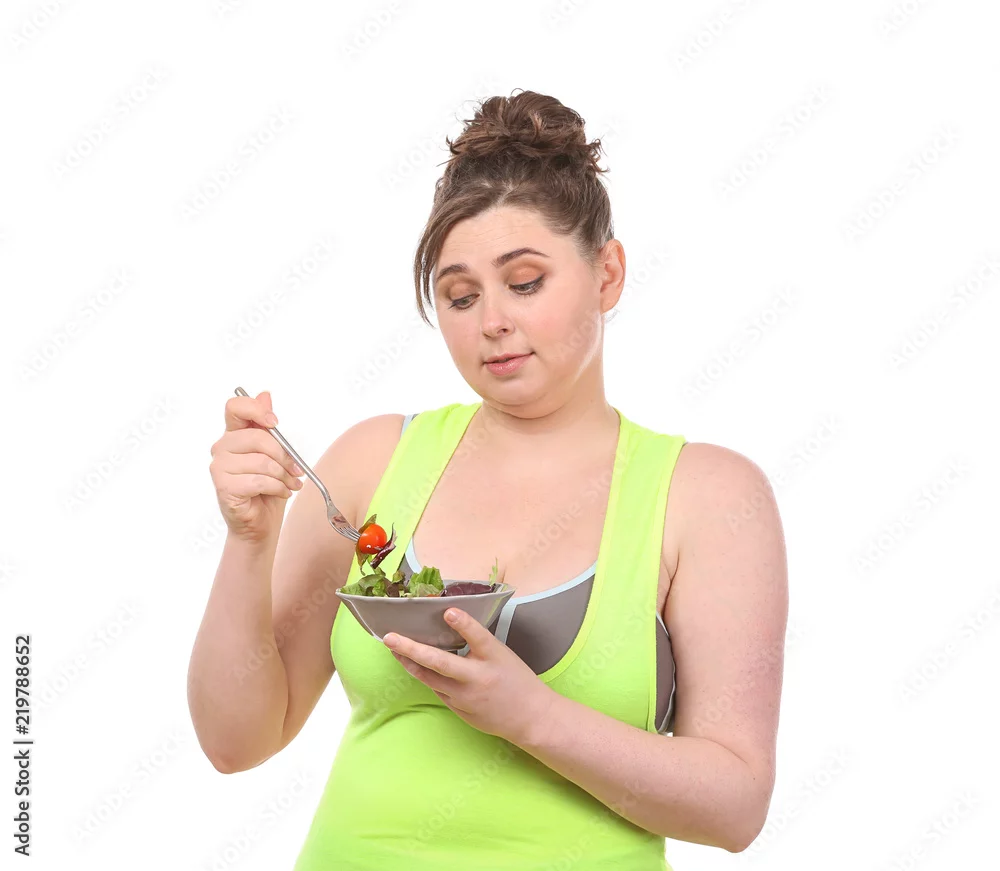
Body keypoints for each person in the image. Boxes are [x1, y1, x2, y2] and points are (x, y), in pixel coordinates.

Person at [188, 89, 788, 870]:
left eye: (525, 282)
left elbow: (736, 807)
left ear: (607, 274)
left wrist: (530, 716)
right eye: (460, 296)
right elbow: (235, 741)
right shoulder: (373, 462)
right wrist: (249, 539)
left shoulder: (707, 495)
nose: (491, 322)